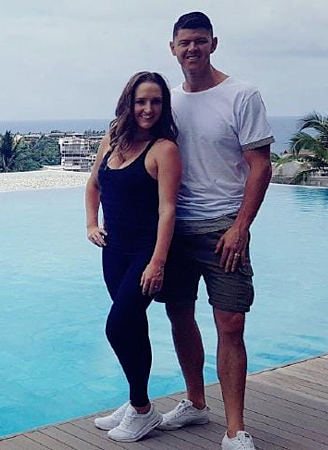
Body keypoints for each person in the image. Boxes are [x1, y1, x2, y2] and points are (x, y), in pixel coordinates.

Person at [155, 12, 274, 450]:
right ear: (172, 48)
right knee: (179, 314)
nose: (192, 49)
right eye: (184, 42)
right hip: (176, 229)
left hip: (223, 227)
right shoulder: (168, 101)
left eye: (200, 41)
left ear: (213, 44)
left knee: (231, 322)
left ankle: (235, 428)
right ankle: (195, 402)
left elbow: (260, 165)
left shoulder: (241, 94)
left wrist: (241, 226)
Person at [85, 71, 182, 442]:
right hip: (114, 252)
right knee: (133, 326)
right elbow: (94, 184)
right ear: (129, 103)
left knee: (117, 326)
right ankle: (136, 401)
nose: (148, 108)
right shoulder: (112, 140)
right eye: (141, 101)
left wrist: (157, 262)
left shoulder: (164, 149)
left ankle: (142, 410)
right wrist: (91, 224)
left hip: (145, 253)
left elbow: (168, 210)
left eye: (156, 101)